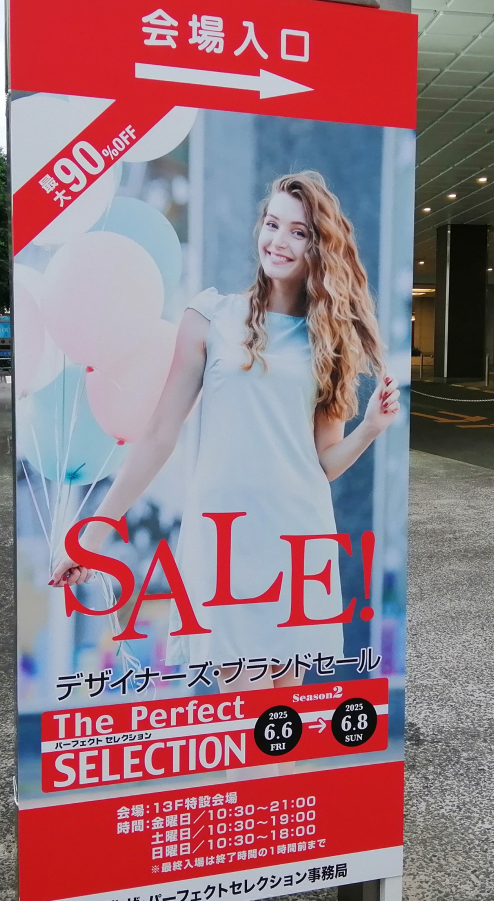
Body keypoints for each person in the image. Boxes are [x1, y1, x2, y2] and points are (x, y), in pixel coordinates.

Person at [51, 171, 400, 691]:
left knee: (283, 721)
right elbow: (159, 435)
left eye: (298, 232)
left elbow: (322, 463)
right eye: (272, 223)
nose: (278, 241)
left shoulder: (326, 338)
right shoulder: (210, 316)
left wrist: (369, 428)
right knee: (243, 712)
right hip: (224, 539)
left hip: (297, 538)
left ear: (318, 246)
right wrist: (91, 537)